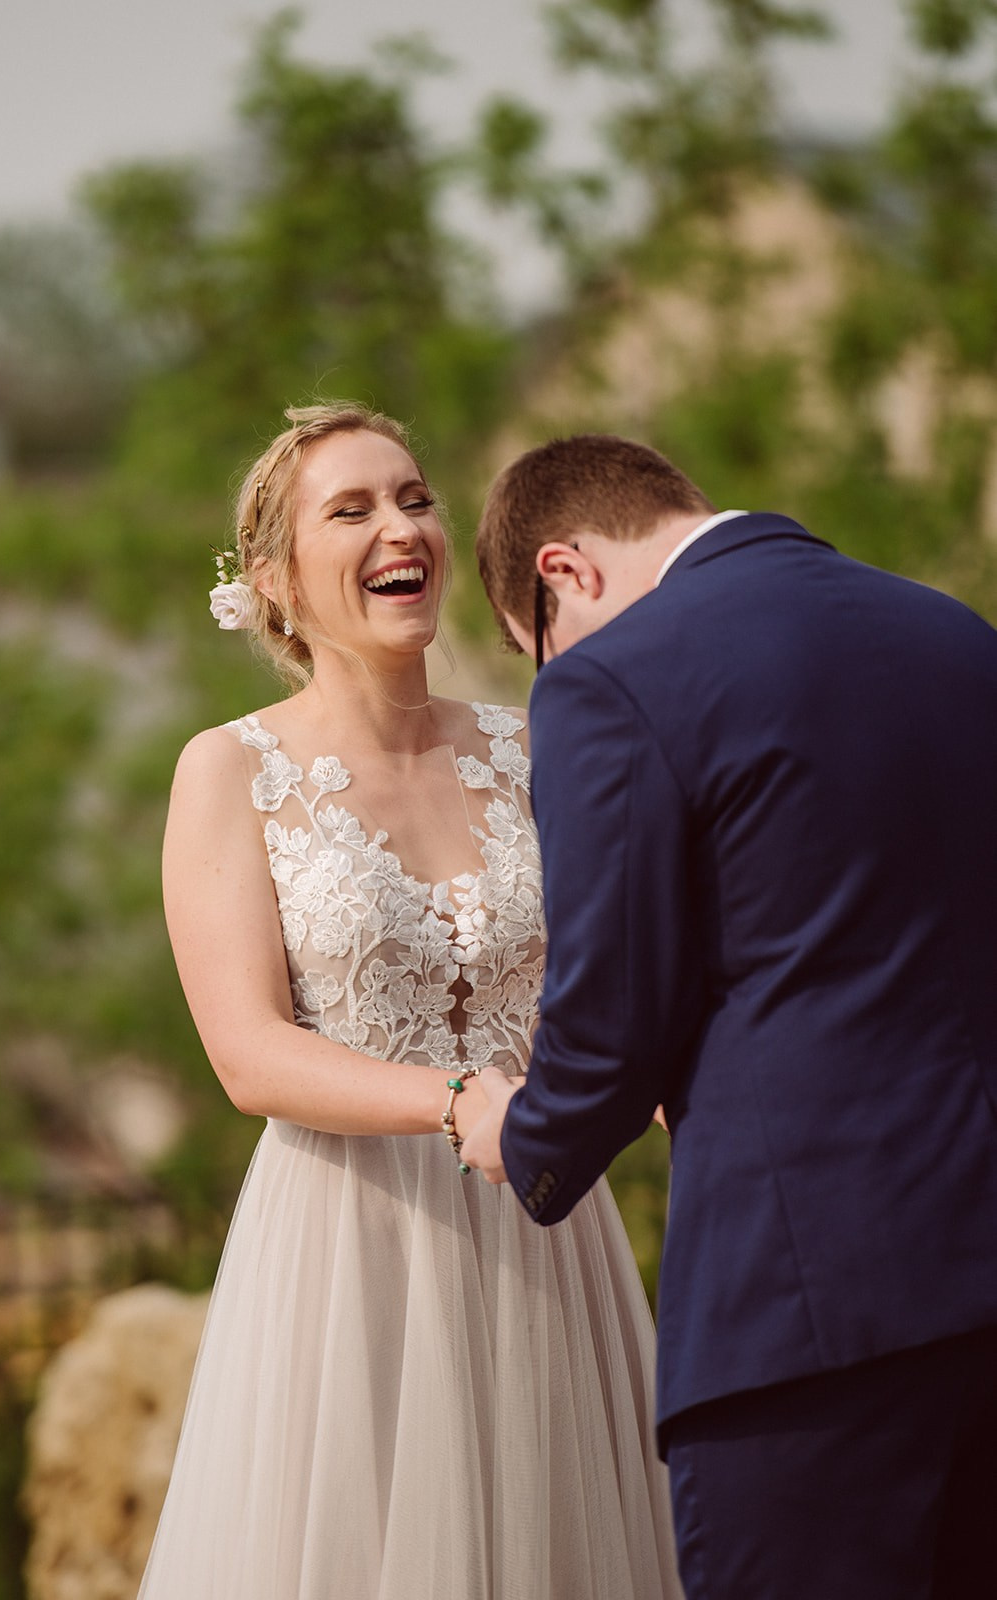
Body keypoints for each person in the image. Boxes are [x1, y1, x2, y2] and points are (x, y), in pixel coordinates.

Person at [138, 404, 683, 1600]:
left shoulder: (536, 745)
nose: (404, 526)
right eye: (354, 509)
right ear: (276, 581)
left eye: (416, 497)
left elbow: (620, 984)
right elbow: (250, 1055)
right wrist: (459, 1101)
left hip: (548, 1233)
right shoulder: (230, 770)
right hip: (350, 1258)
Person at [463, 432, 997, 1600]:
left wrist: (522, 1135)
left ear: (564, 572)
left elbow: (609, 1023)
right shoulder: (954, 631)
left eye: (531, 649)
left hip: (812, 1321)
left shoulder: (610, 679)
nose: (543, 675)